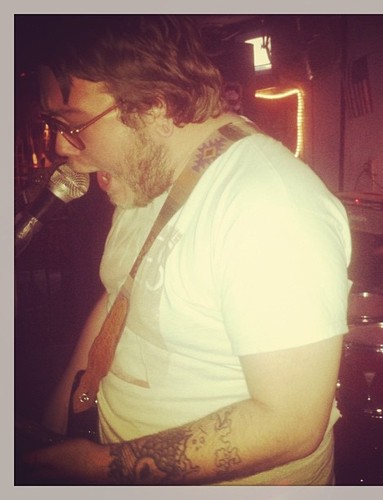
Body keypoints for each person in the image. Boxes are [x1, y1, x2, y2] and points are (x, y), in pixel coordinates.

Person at [19, 15, 351, 485]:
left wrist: (101, 467)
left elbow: (291, 424)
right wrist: (61, 420)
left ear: (154, 108)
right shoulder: (146, 177)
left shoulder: (271, 205)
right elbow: (121, 296)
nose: (60, 146)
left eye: (72, 125)